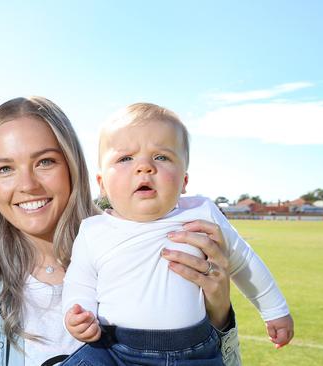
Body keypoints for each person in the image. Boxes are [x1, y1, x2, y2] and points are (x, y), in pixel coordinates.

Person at [0, 97, 242, 366]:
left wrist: (217, 315)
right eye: (4, 169)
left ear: (73, 167)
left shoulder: (161, 252)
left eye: (45, 162)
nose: (27, 185)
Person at [61, 103, 294, 365]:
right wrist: (78, 313)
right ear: (102, 184)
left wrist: (275, 310)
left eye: (161, 157)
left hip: (194, 352)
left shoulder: (201, 213)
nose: (144, 167)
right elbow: (79, 283)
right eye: (125, 158)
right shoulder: (93, 230)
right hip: (113, 350)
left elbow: (244, 262)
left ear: (184, 180)